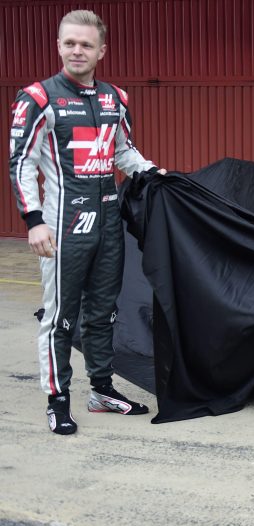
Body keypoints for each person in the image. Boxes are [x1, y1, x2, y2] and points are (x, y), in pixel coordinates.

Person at [9, 10, 165, 434]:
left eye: (86, 44)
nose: (77, 50)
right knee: (60, 316)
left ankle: (101, 390)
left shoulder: (116, 98)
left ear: (101, 51)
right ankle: (57, 399)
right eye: (70, 43)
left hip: (108, 222)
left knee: (103, 312)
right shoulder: (37, 98)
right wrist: (34, 220)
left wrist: (154, 174)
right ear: (59, 46)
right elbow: (20, 164)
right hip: (63, 225)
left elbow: (122, 152)